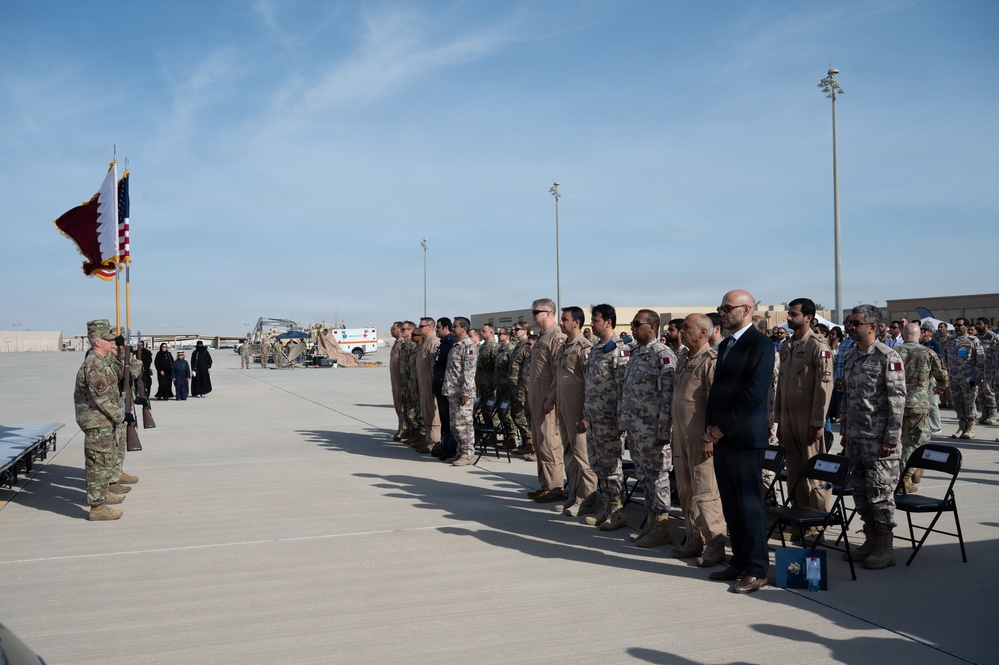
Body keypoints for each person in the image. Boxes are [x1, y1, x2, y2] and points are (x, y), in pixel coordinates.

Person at [705, 289, 775, 594]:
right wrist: (711, 425)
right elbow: (719, 389)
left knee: (749, 505)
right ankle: (740, 561)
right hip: (723, 436)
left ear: (746, 310)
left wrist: (723, 428)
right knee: (731, 504)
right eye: (721, 307)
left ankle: (758, 568)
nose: (722, 312)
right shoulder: (726, 345)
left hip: (744, 437)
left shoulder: (761, 344)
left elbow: (753, 393)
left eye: (727, 308)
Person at [839, 305, 906, 569]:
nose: (851, 327)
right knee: (860, 492)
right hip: (856, 437)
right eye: (850, 322)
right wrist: (844, 431)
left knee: (880, 494)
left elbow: (897, 400)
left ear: (873, 327)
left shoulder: (887, 357)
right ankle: (870, 539)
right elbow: (847, 398)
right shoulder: (852, 356)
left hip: (879, 440)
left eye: (856, 323)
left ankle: (885, 547)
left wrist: (891, 438)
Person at [774, 298, 834, 544]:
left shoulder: (818, 345)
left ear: (808, 317)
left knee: (815, 474)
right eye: (789, 313)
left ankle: (816, 521)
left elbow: (824, 385)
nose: (789, 318)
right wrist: (778, 419)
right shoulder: (787, 345)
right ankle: (799, 520)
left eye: (794, 314)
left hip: (808, 419)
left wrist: (818, 422)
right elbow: (781, 386)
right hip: (788, 419)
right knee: (795, 474)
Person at [670, 314, 726, 566]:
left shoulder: (710, 360)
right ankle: (694, 539)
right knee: (685, 489)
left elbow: (718, 402)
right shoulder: (684, 358)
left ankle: (715, 543)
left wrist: (710, 436)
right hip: (680, 435)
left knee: (705, 490)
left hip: (701, 437)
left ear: (703, 332)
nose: (682, 331)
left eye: (687, 328)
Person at [619, 309, 676, 547]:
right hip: (637, 429)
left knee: (658, 477)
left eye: (636, 324)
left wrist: (663, 430)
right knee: (644, 477)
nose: (632, 327)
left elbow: (668, 395)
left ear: (652, 327)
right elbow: (628, 390)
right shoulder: (636, 353)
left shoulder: (662, 354)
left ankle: (662, 526)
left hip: (654, 431)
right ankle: (652, 523)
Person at [75, 319, 131, 521]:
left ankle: (102, 494)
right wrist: (121, 416)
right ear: (98, 342)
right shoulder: (94, 365)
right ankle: (97, 508)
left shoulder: (100, 362)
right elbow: (103, 399)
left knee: (105, 461)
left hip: (103, 421)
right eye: (108, 339)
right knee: (97, 464)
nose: (112, 343)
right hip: (97, 422)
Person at [581, 304, 629, 530]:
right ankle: (607, 507)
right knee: (598, 465)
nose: (592, 323)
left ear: (608, 322)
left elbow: (622, 388)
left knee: (611, 468)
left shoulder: (618, 349)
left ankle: (617, 510)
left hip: (610, 420)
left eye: (596, 320)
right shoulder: (597, 349)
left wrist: (621, 419)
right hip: (594, 418)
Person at [554, 306, 597, 515]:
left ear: (576, 323)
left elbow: (590, 382)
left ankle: (587, 498)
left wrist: (586, 414)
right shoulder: (564, 347)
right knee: (569, 453)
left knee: (583, 455)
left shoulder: (584, 347)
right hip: (564, 407)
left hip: (578, 409)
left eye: (564, 320)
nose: (561, 323)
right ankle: (573, 495)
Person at [897, 323, 948, 493]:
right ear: (919, 337)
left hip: (896, 404)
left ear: (903, 336)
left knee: (901, 440)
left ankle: (914, 469)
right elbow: (942, 373)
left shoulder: (893, 353)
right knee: (918, 440)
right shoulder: (928, 352)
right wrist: (941, 386)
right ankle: (904, 477)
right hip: (917, 403)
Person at [527, 298, 567, 502]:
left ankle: (555, 487)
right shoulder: (542, 337)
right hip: (536, 398)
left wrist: (551, 397)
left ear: (549, 313)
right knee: (539, 443)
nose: (532, 315)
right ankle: (545, 485)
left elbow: (558, 373)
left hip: (547, 401)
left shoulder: (556, 337)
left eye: (536, 312)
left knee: (549, 442)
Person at [442, 317, 478, 466]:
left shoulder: (468, 346)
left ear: (464, 328)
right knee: (455, 425)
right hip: (453, 392)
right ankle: (460, 452)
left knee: (464, 425)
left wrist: (466, 392)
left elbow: (469, 372)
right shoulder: (457, 345)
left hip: (463, 392)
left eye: (455, 326)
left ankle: (468, 454)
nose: (452, 328)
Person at [943, 318, 985, 439]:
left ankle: (970, 428)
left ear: (966, 327)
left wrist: (979, 378)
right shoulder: (950, 341)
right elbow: (945, 360)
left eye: (959, 325)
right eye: (955, 325)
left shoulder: (973, 341)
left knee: (969, 403)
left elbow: (981, 361)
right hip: (954, 378)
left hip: (969, 379)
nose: (956, 327)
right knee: (957, 403)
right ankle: (961, 427)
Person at [432, 318, 458, 460]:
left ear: (446, 328)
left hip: (447, 387)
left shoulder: (451, 344)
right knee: (444, 420)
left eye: (438, 327)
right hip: (440, 386)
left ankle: (451, 448)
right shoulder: (444, 344)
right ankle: (445, 446)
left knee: (449, 420)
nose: (437, 330)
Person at [415, 318, 442, 454]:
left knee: (433, 412)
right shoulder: (425, 342)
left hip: (430, 384)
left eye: (421, 326)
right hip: (423, 383)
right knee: (426, 411)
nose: (419, 328)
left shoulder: (434, 343)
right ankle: (428, 439)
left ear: (429, 327)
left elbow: (434, 367)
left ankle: (435, 441)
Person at [508, 322, 535, 459]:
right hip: (515, 385)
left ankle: (529, 441)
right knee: (515, 413)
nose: (514, 331)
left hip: (523, 386)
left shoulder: (527, 345)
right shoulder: (518, 345)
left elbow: (526, 370)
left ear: (525, 330)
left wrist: (522, 388)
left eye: (517, 329)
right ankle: (525, 441)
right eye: (513, 329)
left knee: (523, 413)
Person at [974, 317, 998, 425]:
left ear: (986, 325)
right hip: (977, 370)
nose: (977, 326)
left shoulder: (993, 337)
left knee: (989, 392)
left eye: (979, 324)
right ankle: (984, 414)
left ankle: (992, 415)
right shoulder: (975, 338)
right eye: (976, 324)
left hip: (990, 370)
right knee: (979, 392)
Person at [389, 322, 405, 440]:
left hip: (401, 380)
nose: (391, 330)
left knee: (402, 405)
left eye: (393, 328)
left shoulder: (402, 344)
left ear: (399, 330)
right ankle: (400, 429)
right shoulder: (396, 343)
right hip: (395, 381)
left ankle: (403, 430)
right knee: (397, 405)